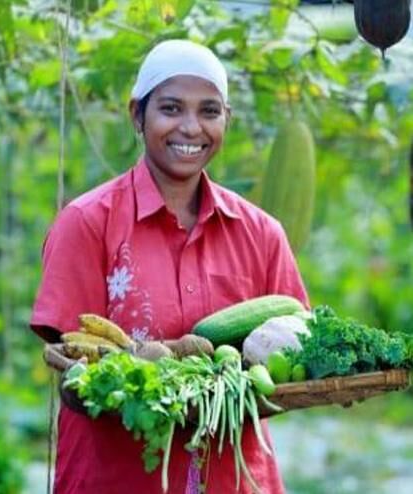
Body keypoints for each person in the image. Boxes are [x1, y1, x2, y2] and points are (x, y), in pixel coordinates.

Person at [30, 40, 309, 493]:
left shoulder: (261, 233)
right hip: (117, 478)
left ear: (226, 120)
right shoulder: (87, 223)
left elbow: (294, 346)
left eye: (209, 111)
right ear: (137, 116)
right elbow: (73, 367)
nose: (191, 128)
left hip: (234, 479)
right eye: (171, 108)